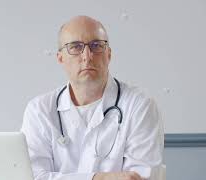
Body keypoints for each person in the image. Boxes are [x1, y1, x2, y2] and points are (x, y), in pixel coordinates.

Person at [21, 15, 164, 180]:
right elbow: (32, 177)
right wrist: (99, 178)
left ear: (108, 54)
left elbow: (139, 178)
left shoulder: (139, 106)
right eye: (75, 47)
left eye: (96, 46)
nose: (87, 56)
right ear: (60, 58)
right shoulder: (39, 110)